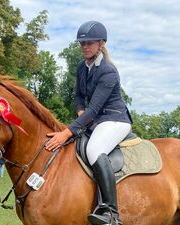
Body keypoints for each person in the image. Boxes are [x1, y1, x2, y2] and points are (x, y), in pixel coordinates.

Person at [46, 21, 132, 225]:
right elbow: (78, 96)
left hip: (114, 119)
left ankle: (111, 213)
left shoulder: (108, 71)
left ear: (101, 43)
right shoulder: (82, 68)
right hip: (95, 120)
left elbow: (94, 109)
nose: (85, 47)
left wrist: (66, 132)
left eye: (90, 43)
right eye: (82, 43)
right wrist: (79, 110)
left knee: (94, 149)